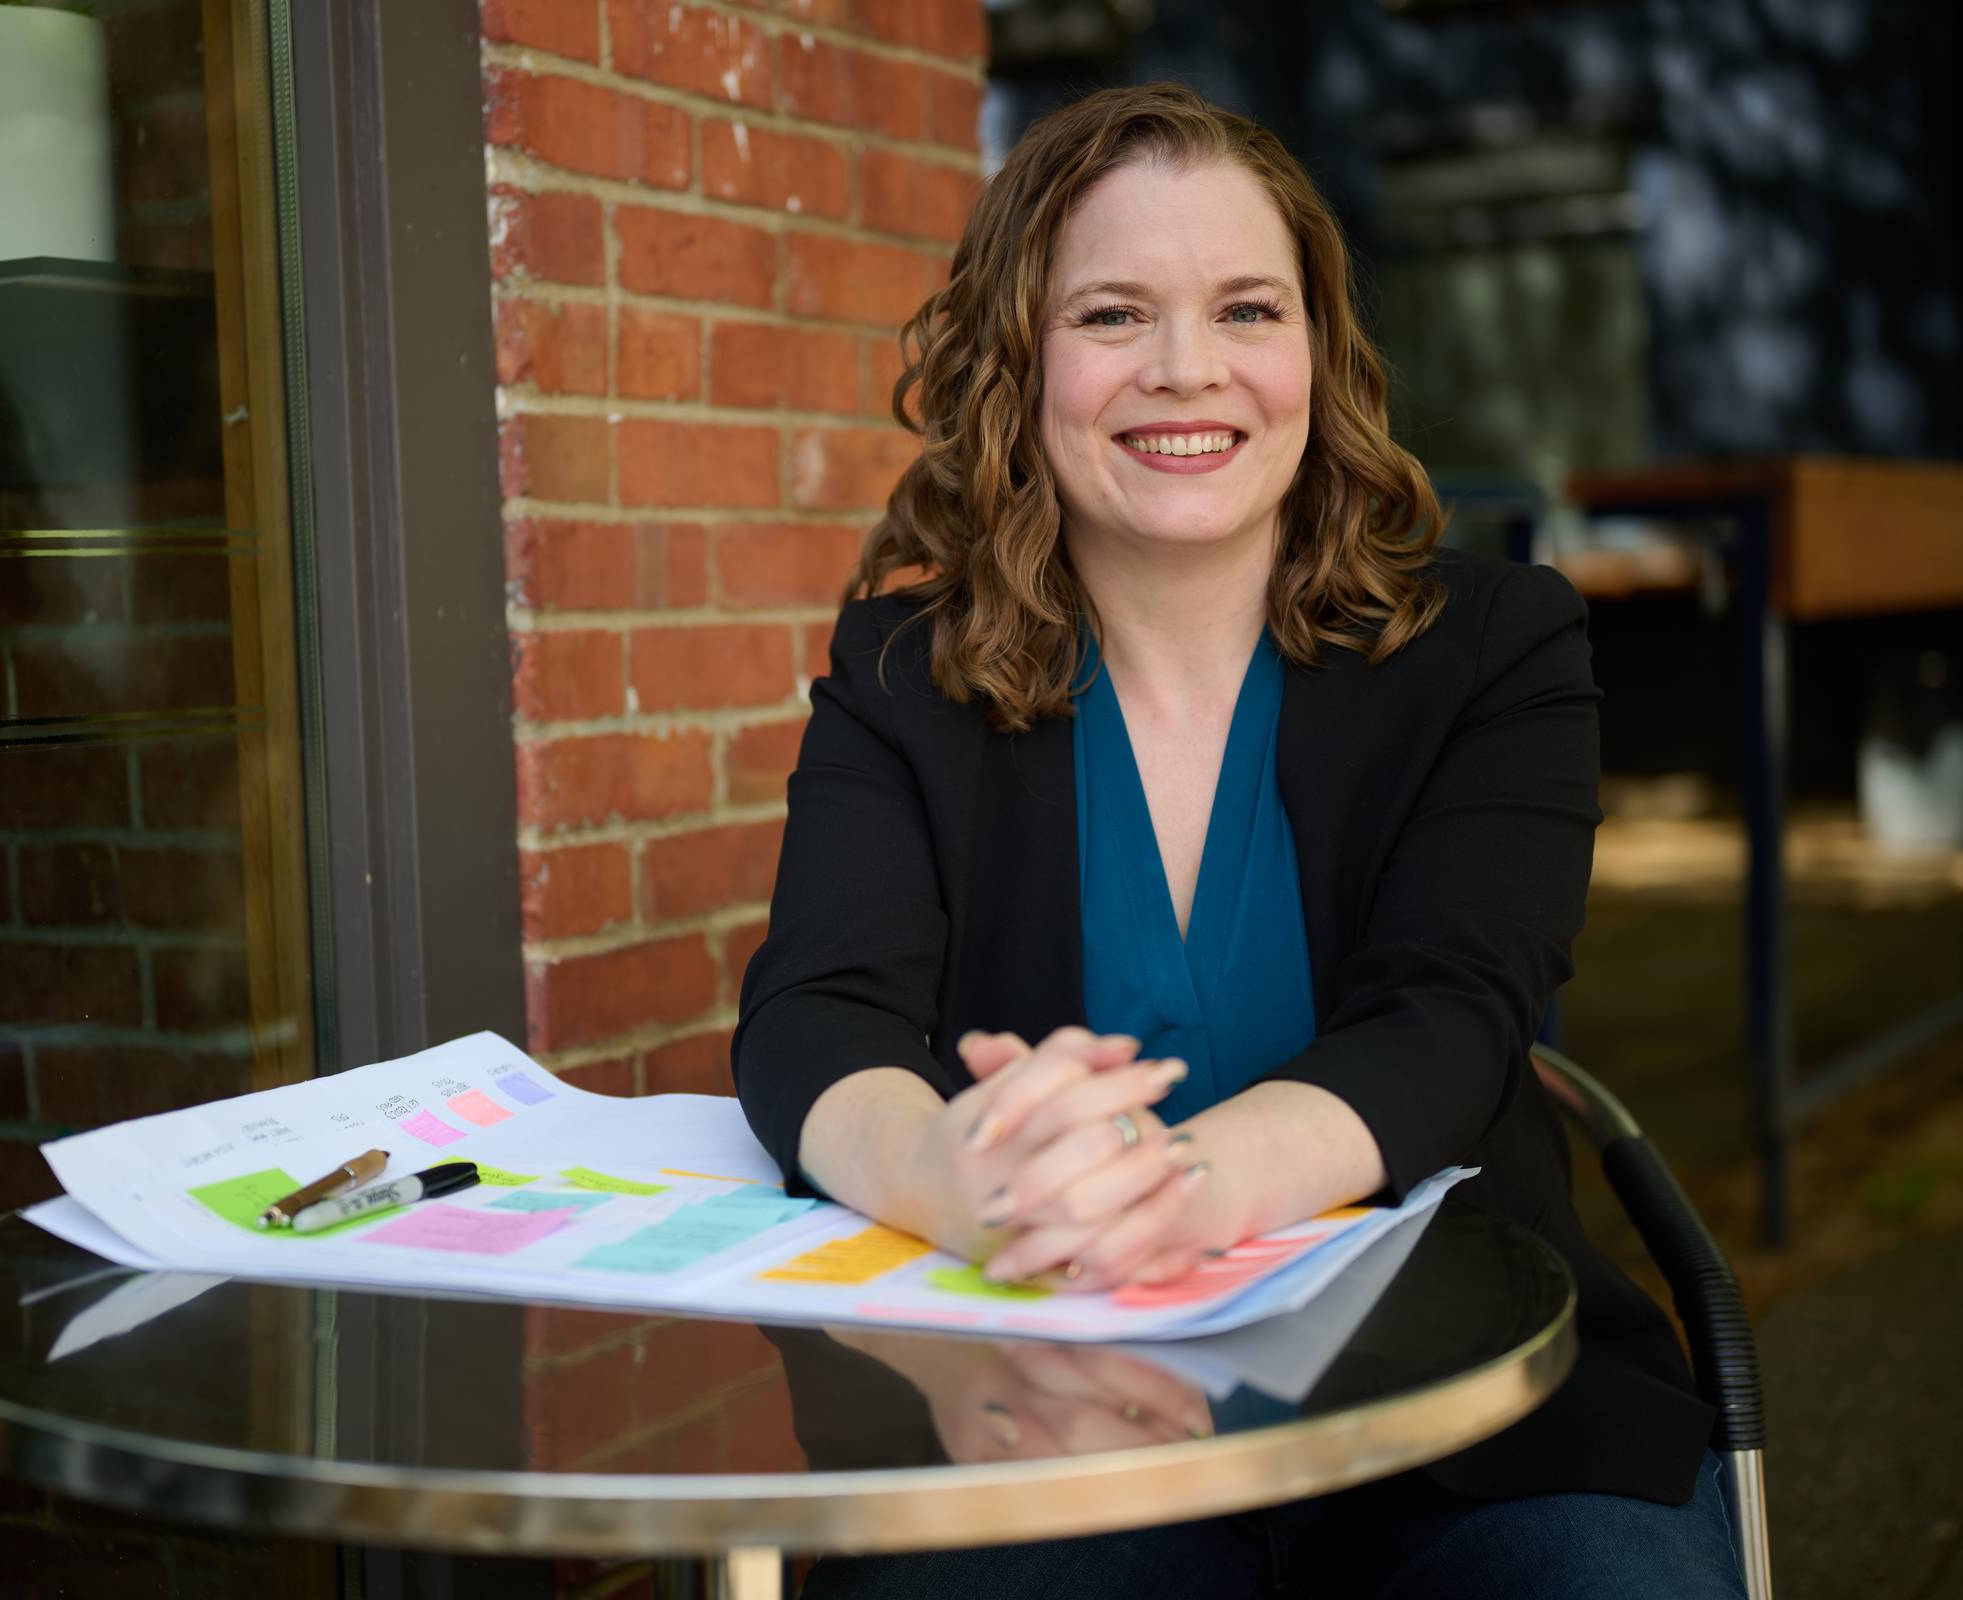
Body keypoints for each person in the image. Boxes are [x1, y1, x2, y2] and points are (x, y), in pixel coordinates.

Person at [732, 83, 1745, 1596]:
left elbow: (1458, 1016)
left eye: (1246, 309)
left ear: (1318, 356)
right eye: (1114, 315)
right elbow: (818, 1016)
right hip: (1047, 1428)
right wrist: (952, 1175)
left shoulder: (1495, 648)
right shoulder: (902, 678)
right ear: (1020, 360)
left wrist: (1171, 1195)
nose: (1186, 370)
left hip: (1467, 1415)